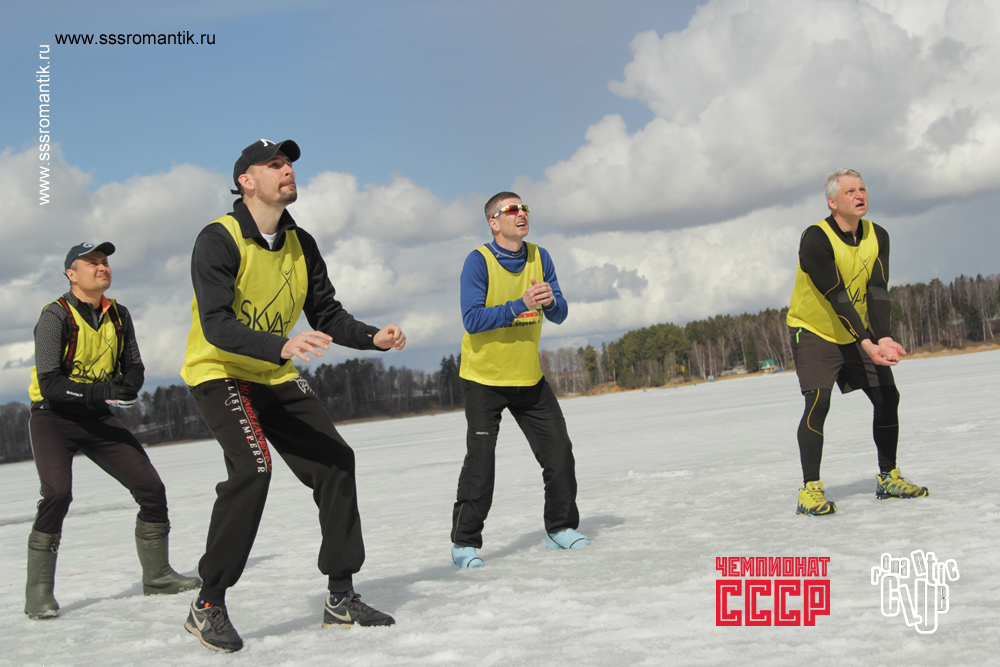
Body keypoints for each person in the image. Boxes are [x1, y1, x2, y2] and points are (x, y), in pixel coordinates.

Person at [180, 139, 406, 652]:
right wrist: (280, 345)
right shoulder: (218, 239)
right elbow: (216, 324)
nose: (287, 171)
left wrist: (371, 337)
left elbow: (326, 313)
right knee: (253, 470)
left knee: (335, 462)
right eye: (274, 164)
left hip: (273, 374)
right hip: (220, 372)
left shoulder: (300, 242)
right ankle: (207, 604)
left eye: (289, 164)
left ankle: (341, 597)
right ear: (246, 180)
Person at [24, 242, 200, 619]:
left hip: (96, 418)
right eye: (92, 263)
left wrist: (129, 386)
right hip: (53, 417)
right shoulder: (55, 316)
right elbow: (50, 382)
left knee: (151, 488)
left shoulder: (119, 314)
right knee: (57, 494)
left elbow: (134, 365)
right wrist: (103, 391)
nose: (102, 267)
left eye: (104, 262)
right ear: (71, 274)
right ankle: (38, 593)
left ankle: (157, 576)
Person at [450, 191, 589, 569]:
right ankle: (464, 544)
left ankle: (560, 528)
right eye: (510, 209)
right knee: (481, 464)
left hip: (529, 379)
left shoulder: (540, 257)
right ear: (493, 223)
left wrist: (550, 302)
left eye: (523, 207)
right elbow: (472, 320)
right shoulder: (477, 261)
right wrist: (521, 305)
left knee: (559, 453)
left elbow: (559, 313)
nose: (521, 213)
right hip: (484, 379)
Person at [787, 169, 928, 516]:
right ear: (833, 202)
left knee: (887, 395)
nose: (860, 195)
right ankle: (810, 490)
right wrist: (867, 343)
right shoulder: (815, 238)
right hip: (814, 331)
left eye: (862, 188)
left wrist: (884, 337)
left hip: (855, 332)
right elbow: (837, 295)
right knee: (818, 402)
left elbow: (876, 290)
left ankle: (888, 478)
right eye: (850, 191)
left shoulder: (878, 235)